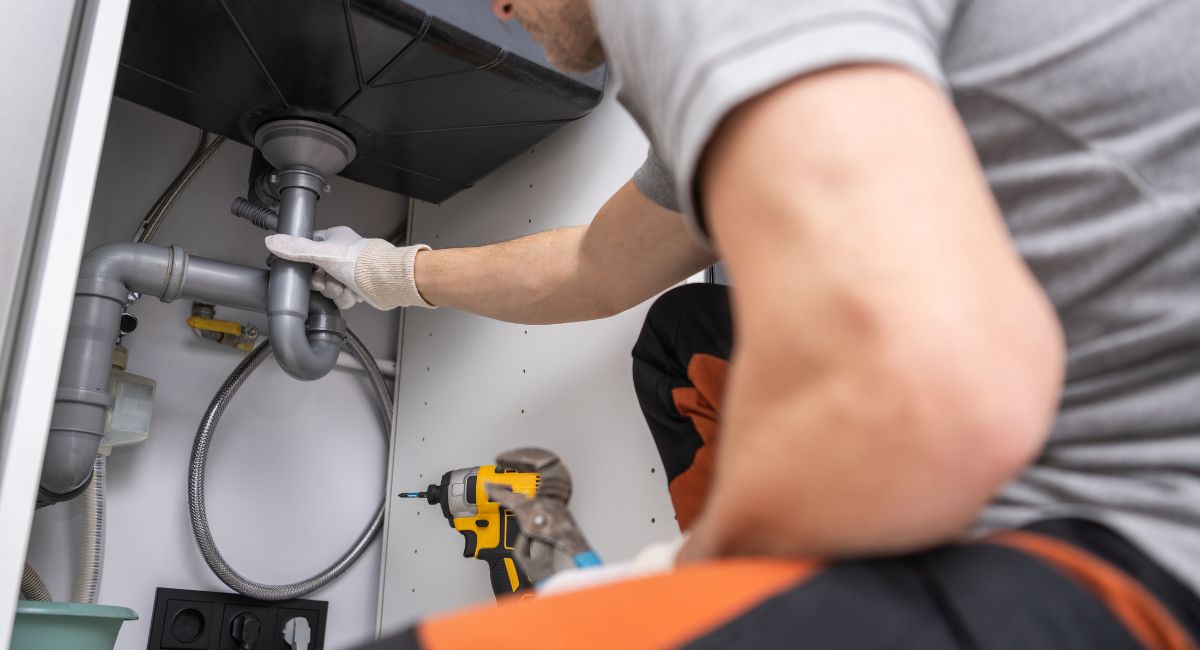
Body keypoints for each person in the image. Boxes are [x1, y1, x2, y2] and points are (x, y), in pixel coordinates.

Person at [266, 1, 1200, 647]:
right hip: (1092, 488)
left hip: (1132, 559)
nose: (498, 10)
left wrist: (683, 578)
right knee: (686, 337)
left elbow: (924, 384)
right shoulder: (802, 56)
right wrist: (380, 272)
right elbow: (597, 266)